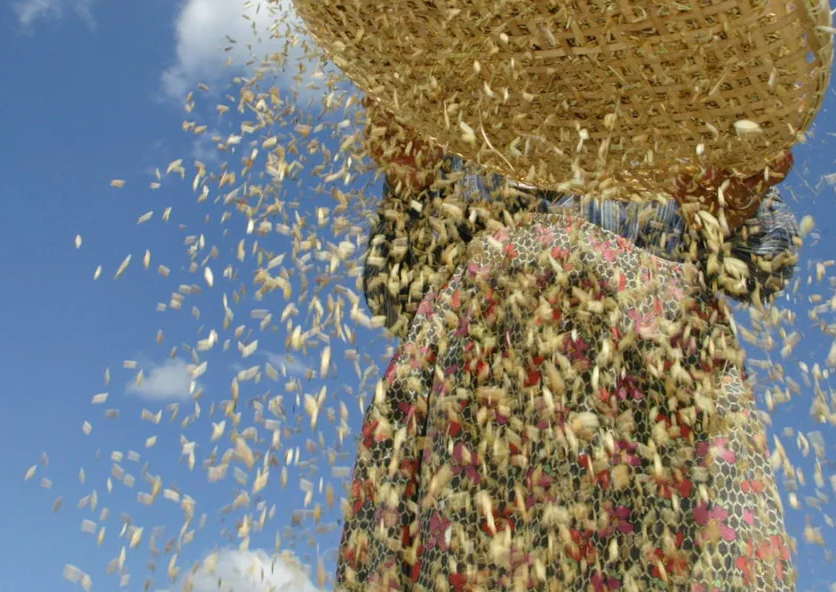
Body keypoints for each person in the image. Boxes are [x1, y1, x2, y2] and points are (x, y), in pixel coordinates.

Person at [336, 107, 803, 591]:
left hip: (658, 403)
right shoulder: (462, 123)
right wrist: (410, 185)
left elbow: (765, 267)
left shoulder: (682, 118)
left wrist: (730, 207)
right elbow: (396, 293)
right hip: (485, 412)